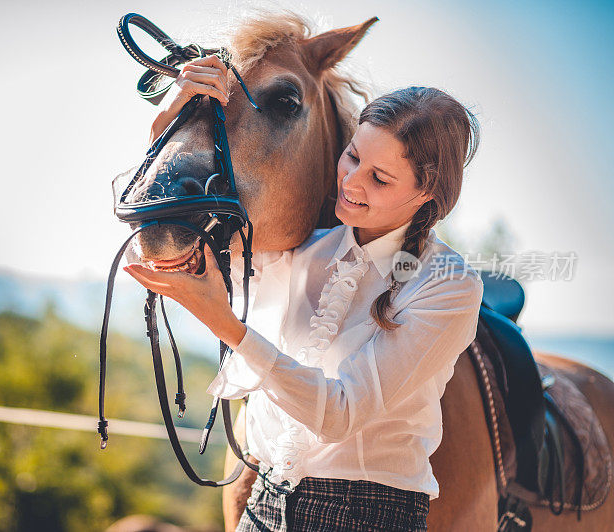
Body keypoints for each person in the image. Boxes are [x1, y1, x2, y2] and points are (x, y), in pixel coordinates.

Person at [124, 55, 484, 531]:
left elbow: (340, 414)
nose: (351, 182)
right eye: (353, 155)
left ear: (428, 195)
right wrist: (171, 115)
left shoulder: (448, 285)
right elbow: (172, 219)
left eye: (380, 178)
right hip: (262, 500)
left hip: (368, 517)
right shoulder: (297, 251)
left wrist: (227, 327)